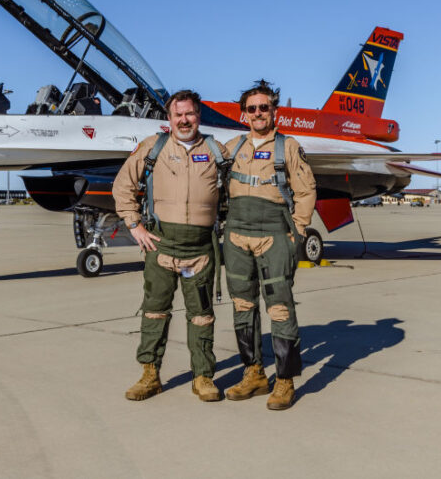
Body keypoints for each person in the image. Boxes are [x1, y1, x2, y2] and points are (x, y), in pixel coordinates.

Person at [113, 90, 229, 402]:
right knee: (154, 312)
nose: (184, 120)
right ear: (169, 118)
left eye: (189, 114)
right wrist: (134, 225)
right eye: (178, 115)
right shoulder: (154, 147)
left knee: (202, 315)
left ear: (198, 116)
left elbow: (236, 192)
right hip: (161, 245)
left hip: (201, 249)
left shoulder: (217, 151)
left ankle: (203, 377)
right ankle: (149, 374)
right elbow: (123, 185)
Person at [222, 80, 317, 410]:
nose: (258, 113)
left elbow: (305, 192)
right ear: (243, 113)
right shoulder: (232, 147)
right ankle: (254, 374)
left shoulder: (287, 147)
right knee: (242, 305)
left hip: (274, 234)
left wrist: (299, 232)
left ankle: (285, 380)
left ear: (274, 110)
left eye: (264, 107)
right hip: (235, 233)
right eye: (252, 108)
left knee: (279, 306)